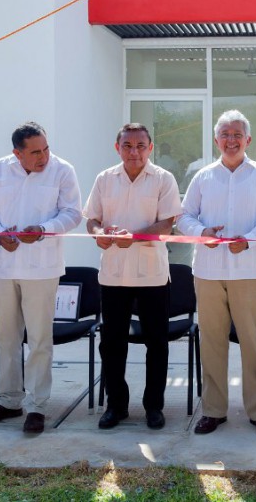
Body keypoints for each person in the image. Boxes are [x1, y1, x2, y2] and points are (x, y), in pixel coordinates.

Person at [0, 122, 82, 434]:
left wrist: (44, 229)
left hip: (42, 268)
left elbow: (72, 213)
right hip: (4, 266)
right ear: (17, 154)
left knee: (38, 339)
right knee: (6, 336)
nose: (44, 156)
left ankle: (37, 406)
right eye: (35, 152)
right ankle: (9, 401)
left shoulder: (62, 170)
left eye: (46, 148)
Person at [178, 110, 256, 437]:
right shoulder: (203, 176)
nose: (231, 140)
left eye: (237, 134)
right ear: (216, 139)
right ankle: (213, 410)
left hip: (249, 271)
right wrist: (201, 232)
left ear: (248, 139)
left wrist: (248, 241)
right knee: (211, 343)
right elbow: (184, 217)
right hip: (208, 271)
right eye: (225, 134)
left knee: (252, 342)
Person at [83, 123, 182, 430]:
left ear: (150, 148)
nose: (134, 151)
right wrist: (98, 234)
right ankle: (116, 405)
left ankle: (154, 406)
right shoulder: (104, 178)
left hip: (151, 273)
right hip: (113, 274)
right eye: (127, 146)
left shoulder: (163, 179)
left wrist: (135, 236)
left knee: (157, 343)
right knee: (112, 343)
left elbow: (168, 223)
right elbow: (92, 219)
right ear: (118, 148)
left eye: (140, 146)